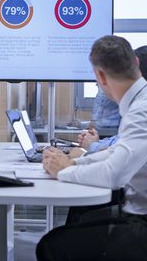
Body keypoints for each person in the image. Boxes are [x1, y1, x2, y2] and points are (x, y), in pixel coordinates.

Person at [37, 36, 147, 260]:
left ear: (100, 76)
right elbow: (117, 152)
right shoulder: (139, 101)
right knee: (82, 221)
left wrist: (63, 171)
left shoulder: (140, 111)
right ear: (135, 62)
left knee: (52, 245)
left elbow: (114, 175)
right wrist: (76, 162)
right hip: (135, 212)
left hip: (141, 221)